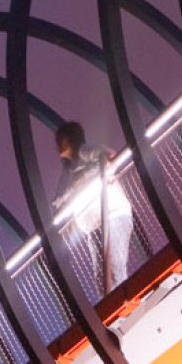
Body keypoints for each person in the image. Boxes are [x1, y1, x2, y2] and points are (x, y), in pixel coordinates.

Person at [52, 121, 134, 293]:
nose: (58, 143)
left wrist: (82, 180)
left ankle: (125, 303)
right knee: (101, 278)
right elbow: (59, 200)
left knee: (114, 269)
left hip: (113, 215)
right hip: (93, 227)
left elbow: (109, 157)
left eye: (61, 138)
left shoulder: (84, 151)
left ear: (71, 138)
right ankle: (113, 306)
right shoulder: (66, 173)